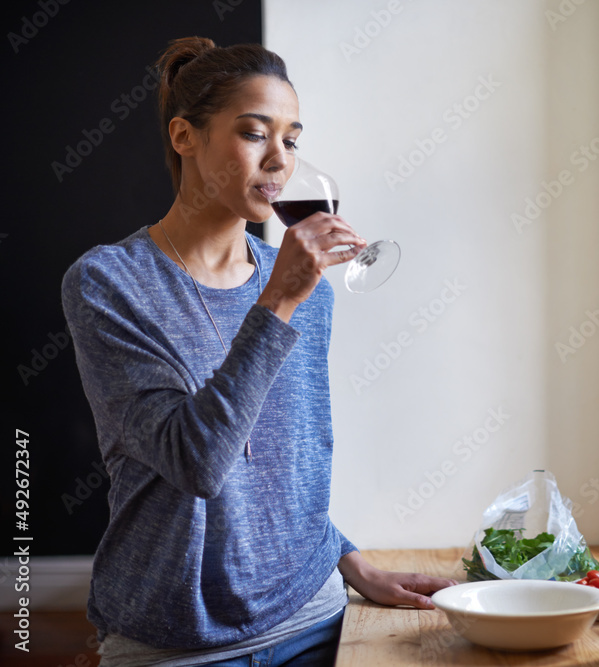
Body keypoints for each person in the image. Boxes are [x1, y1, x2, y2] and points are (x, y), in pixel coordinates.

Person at [61, 36, 456, 666]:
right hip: (175, 643)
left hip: (316, 621)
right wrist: (276, 303)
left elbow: (283, 467)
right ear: (184, 137)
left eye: (291, 140)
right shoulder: (109, 284)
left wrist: (355, 566)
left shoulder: (305, 291)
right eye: (254, 134)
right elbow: (198, 462)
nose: (279, 161)